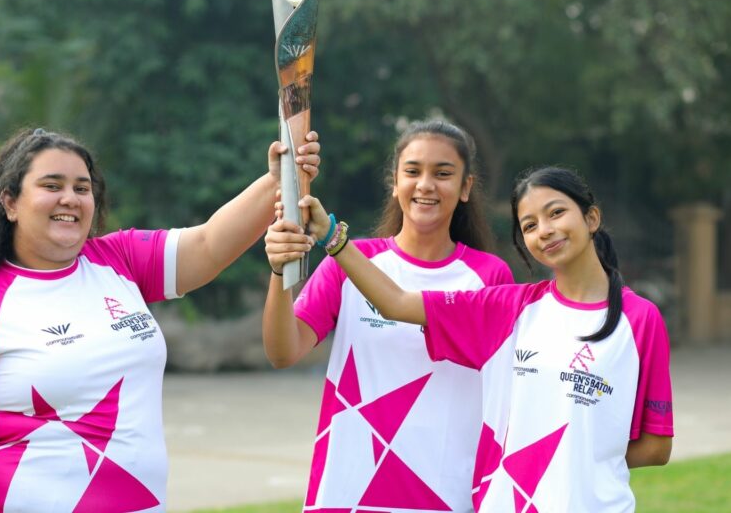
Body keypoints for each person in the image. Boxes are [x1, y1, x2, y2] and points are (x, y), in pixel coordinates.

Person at [0, 127, 320, 512]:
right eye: (51, 185)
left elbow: (209, 244)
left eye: (82, 187)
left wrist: (278, 176)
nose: (70, 198)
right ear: (10, 202)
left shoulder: (118, 260)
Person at [278, 166, 673, 513]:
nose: (546, 231)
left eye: (556, 213)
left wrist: (576, 455)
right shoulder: (506, 310)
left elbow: (656, 447)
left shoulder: (640, 319)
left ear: (591, 218)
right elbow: (396, 302)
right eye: (530, 225)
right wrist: (332, 236)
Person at [263, 120, 513, 512]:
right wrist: (279, 272)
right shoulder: (346, 263)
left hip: (445, 495)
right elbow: (282, 352)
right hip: (348, 494)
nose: (426, 185)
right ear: (394, 182)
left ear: (466, 188)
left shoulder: (490, 277)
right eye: (412, 171)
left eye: (443, 174)